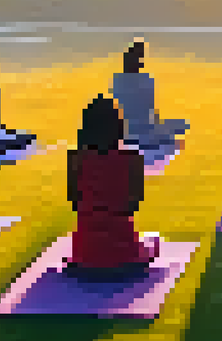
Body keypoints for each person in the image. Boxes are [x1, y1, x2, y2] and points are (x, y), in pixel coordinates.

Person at [65, 94, 160, 281]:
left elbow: (74, 201)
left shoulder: (76, 158)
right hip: (124, 254)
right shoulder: (132, 159)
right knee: (154, 241)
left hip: (85, 255)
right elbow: (133, 205)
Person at [111, 38, 190, 150]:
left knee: (182, 125)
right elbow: (149, 109)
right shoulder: (143, 80)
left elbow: (149, 110)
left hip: (134, 129)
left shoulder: (119, 80)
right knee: (180, 126)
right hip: (137, 130)